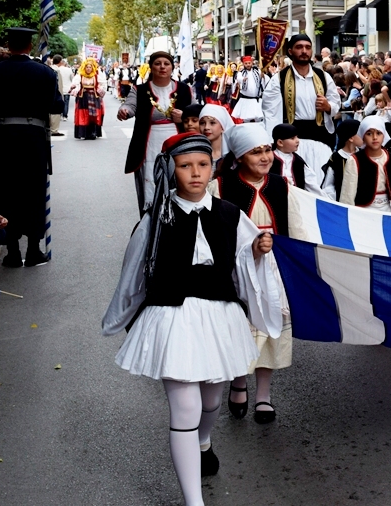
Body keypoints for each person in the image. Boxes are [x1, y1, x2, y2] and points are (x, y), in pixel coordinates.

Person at [101, 132, 282, 506]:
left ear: (213, 167)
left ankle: (203, 439)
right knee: (185, 406)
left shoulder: (231, 214)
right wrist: (119, 316)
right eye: (185, 166)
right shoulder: (156, 219)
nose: (195, 174)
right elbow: (134, 271)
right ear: (171, 169)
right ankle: (193, 501)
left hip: (219, 315)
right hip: (171, 316)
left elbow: (246, 265)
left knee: (211, 401)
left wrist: (259, 250)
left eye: (203, 165)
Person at [207, 124, 306, 426]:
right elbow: (212, 236)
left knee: (271, 328)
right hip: (237, 270)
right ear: (239, 157)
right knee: (243, 328)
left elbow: (296, 229)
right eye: (255, 152)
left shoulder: (281, 185)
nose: (264, 157)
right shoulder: (220, 187)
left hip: (273, 268)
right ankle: (238, 381)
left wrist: (299, 265)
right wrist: (248, 250)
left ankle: (263, 394)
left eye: (267, 150)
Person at [0, 27, 64, 267]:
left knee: (6, 193)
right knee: (33, 192)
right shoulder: (44, 72)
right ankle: (34, 250)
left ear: (8, 43)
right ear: (29, 46)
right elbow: (57, 106)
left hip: (2, 139)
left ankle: (13, 252)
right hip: (33, 139)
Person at [119, 50, 193, 214]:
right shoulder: (139, 90)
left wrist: (185, 117)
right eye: (157, 63)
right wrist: (124, 110)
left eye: (166, 64)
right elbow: (130, 106)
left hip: (177, 141)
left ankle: (178, 214)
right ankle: (151, 218)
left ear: (172, 67)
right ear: (151, 67)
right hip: (149, 142)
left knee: (178, 177)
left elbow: (196, 114)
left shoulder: (185, 89)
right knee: (151, 178)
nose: (162, 67)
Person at [263, 34, 343, 148]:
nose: (304, 51)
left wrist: (328, 107)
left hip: (321, 133)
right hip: (292, 135)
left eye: (308, 47)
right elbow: (271, 113)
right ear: (290, 51)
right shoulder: (279, 79)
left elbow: (335, 102)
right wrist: (273, 141)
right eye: (299, 47)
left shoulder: (323, 77)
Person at [340, 115, 391, 212]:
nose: (375, 137)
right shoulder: (355, 160)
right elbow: (348, 194)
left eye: (379, 133)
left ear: (384, 135)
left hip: (387, 209)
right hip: (363, 211)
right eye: (369, 133)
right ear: (363, 136)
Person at [269, 122, 321, 194]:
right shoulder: (269, 159)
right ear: (280, 142)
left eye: (297, 137)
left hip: (295, 198)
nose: (297, 140)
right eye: (292, 138)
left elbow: (311, 183)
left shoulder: (298, 161)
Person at [321, 120, 362, 201]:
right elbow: (328, 184)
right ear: (351, 138)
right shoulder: (336, 158)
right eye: (360, 133)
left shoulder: (362, 155)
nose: (363, 136)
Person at [69, 57, 107, 140]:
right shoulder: (80, 76)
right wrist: (74, 89)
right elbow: (76, 84)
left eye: (90, 67)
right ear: (84, 67)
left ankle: (93, 132)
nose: (88, 69)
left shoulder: (96, 76)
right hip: (83, 98)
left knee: (93, 116)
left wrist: (100, 89)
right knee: (84, 115)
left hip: (94, 97)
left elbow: (103, 84)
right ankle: (84, 133)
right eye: (87, 67)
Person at [198, 104, 235, 174]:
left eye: (212, 123)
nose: (206, 127)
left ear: (222, 126)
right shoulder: (197, 152)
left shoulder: (232, 155)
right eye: (202, 123)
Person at [231, 55, 266, 122]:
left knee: (258, 118)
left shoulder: (257, 70)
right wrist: (242, 79)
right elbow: (238, 78)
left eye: (249, 63)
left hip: (256, 99)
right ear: (243, 64)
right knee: (246, 118)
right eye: (246, 63)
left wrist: (263, 76)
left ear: (252, 63)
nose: (248, 65)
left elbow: (263, 79)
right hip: (246, 99)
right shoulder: (241, 72)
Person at [55, 55, 74, 133]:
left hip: (60, 88)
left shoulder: (57, 69)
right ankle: (65, 116)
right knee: (66, 102)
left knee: (60, 101)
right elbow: (72, 78)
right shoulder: (69, 70)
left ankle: (61, 113)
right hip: (67, 88)